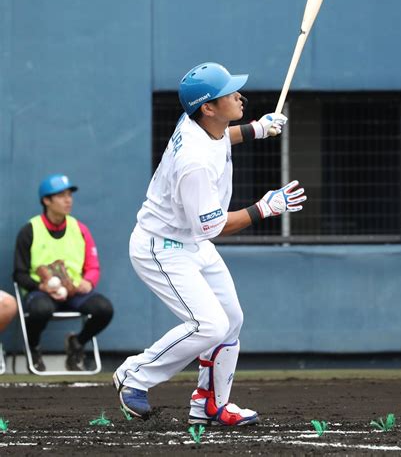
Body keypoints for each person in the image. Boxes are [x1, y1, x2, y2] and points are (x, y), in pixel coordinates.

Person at [113, 62, 306, 426]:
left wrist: (258, 129)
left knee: (231, 319)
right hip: (162, 247)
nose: (239, 96)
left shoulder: (202, 125)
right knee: (210, 325)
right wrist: (264, 208)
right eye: (229, 93)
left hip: (190, 241)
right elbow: (215, 227)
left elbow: (221, 137)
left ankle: (210, 404)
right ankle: (133, 376)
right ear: (208, 107)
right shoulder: (194, 163)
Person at [13, 174, 114, 372]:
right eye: (60, 195)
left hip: (75, 291)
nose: (68, 200)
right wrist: (40, 286)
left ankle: (77, 343)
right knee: (40, 310)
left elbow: (93, 266)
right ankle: (33, 347)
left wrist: (88, 282)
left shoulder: (80, 229)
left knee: (104, 309)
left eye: (69, 195)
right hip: (42, 292)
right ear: (46, 201)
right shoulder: (29, 230)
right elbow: (19, 274)